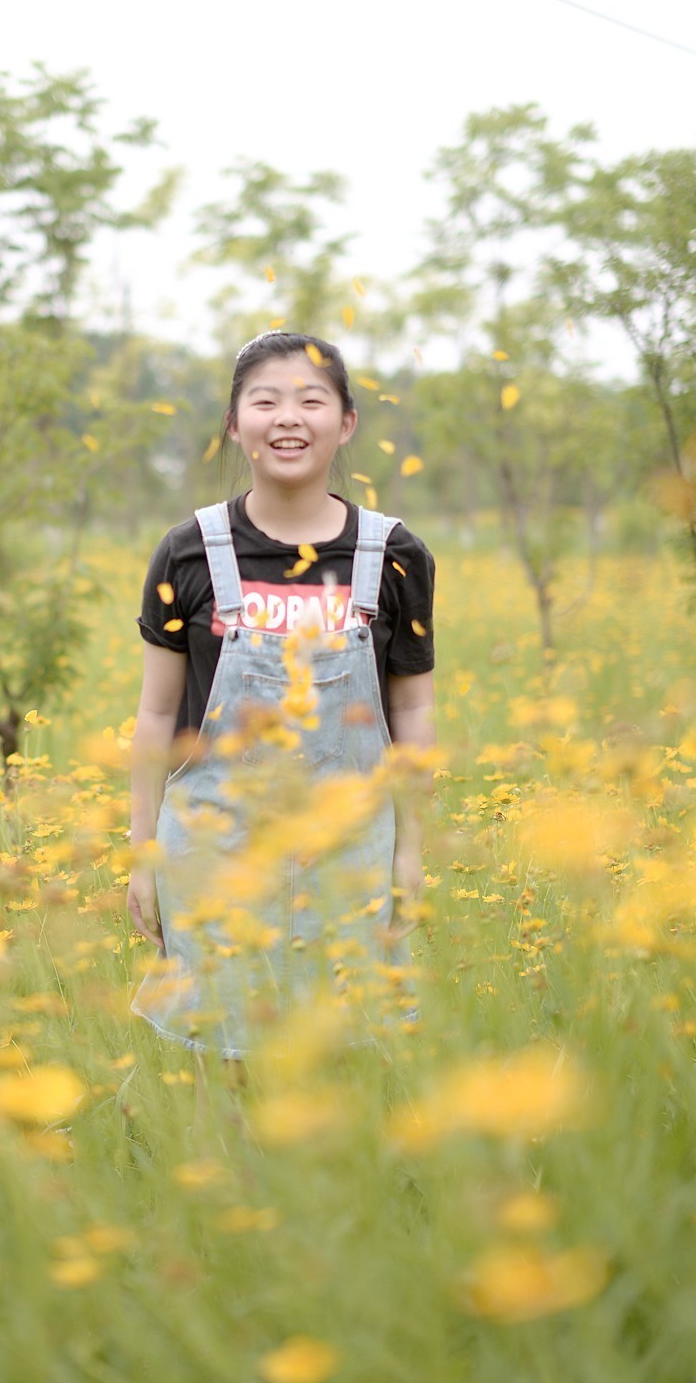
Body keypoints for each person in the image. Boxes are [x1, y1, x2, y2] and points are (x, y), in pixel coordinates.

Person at [127, 331, 436, 1059]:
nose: (288, 417)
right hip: (212, 857)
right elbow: (156, 713)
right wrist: (144, 853)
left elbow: (413, 709)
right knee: (218, 1066)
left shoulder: (395, 555)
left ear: (346, 422)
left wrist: (410, 849)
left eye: (311, 401)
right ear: (235, 425)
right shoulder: (187, 551)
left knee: (342, 1065)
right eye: (265, 401)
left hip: (352, 858)